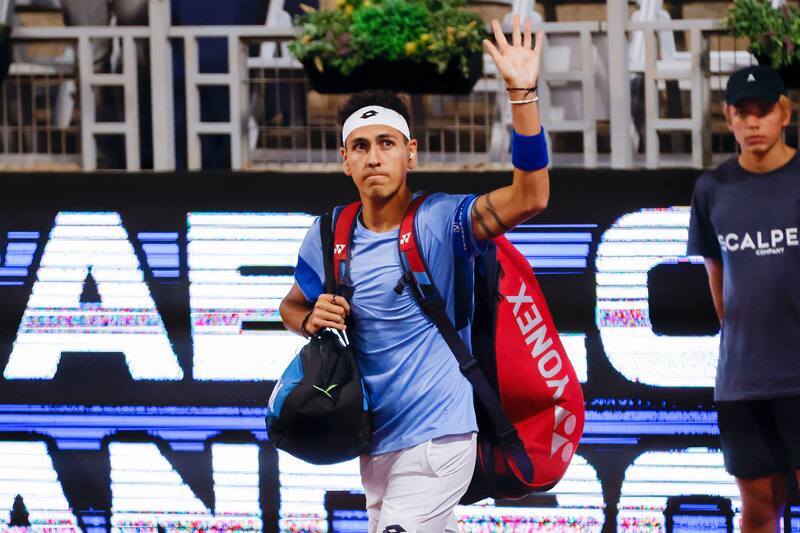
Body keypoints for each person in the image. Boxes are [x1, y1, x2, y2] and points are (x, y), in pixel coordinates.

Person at [279, 16, 550, 533]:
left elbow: (531, 196)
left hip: (438, 440)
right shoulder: (329, 231)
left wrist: (522, 96)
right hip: (373, 445)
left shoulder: (441, 222)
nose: (374, 156)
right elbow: (290, 306)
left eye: (386, 143)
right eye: (361, 146)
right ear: (344, 160)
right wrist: (310, 317)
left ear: (410, 153)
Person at [688, 64, 800, 533]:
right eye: (742, 112)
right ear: (728, 118)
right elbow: (719, 284)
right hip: (742, 380)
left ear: (785, 112)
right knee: (757, 512)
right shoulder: (712, 190)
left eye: (763, 111)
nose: (753, 123)